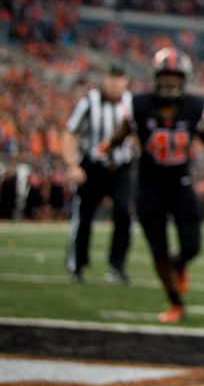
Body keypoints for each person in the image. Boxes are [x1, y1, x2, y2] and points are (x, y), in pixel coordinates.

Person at [102, 47, 204, 324]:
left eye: (175, 77)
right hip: (149, 186)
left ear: (184, 79)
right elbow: (120, 135)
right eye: (165, 77)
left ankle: (179, 265)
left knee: (192, 246)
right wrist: (109, 153)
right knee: (158, 248)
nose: (169, 83)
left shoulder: (195, 107)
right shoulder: (139, 105)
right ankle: (175, 302)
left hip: (181, 183)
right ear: (155, 77)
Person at [62, 63, 135, 284]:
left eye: (119, 78)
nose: (114, 83)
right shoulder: (89, 101)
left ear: (126, 81)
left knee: (124, 213)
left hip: (122, 167)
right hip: (92, 167)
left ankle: (117, 266)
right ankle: (77, 265)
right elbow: (70, 132)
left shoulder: (132, 103)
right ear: (104, 79)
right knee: (84, 216)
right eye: (111, 78)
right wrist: (72, 165)